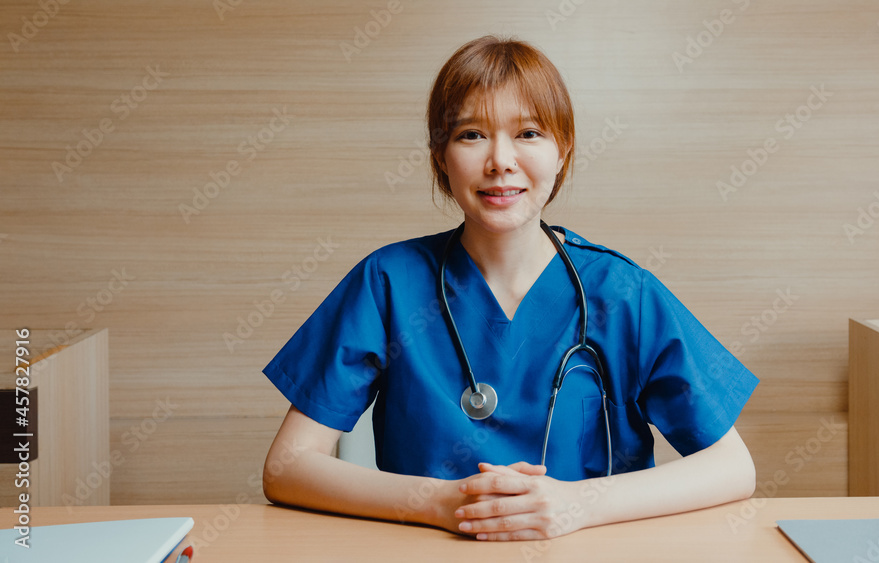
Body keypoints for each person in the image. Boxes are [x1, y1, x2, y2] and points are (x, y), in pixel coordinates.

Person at [261, 35, 758, 541]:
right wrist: (441, 504)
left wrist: (577, 505)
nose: (501, 160)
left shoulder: (624, 294)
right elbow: (286, 467)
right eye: (472, 134)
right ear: (440, 156)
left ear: (562, 150)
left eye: (528, 133)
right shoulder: (388, 282)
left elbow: (733, 466)